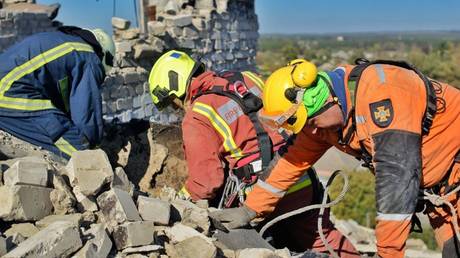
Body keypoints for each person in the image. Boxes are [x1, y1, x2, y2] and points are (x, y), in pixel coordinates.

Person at [210, 58, 460, 257]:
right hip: (442, 194)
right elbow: (289, 163)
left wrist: (388, 254)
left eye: (312, 122)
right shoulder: (321, 122)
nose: (313, 131)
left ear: (323, 99)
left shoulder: (384, 95)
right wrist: (250, 209)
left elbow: (397, 183)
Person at [148, 50, 359, 256]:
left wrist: (179, 200)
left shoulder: (197, 115)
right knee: (325, 239)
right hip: (298, 173)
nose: (177, 109)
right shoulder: (247, 78)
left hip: (258, 194)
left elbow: (206, 181)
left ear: (176, 88)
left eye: (173, 103)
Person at [0, 26, 115, 163]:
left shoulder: (66, 43)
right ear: (104, 55)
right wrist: (94, 148)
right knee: (79, 151)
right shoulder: (89, 58)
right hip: (8, 91)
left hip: (10, 87)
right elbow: (86, 113)